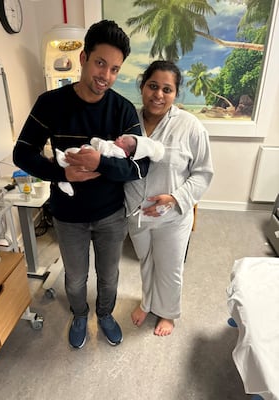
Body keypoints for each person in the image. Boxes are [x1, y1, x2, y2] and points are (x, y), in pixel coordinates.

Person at [13, 20, 149, 349]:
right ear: (83, 58)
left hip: (110, 214)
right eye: (100, 63)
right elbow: (22, 153)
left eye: (115, 69)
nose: (106, 75)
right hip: (68, 214)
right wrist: (63, 174)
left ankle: (103, 314)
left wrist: (100, 162)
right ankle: (78, 313)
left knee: (110, 274)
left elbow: (141, 164)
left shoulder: (122, 109)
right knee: (75, 277)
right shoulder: (50, 103)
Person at [125, 60, 214, 336]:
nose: (158, 95)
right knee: (146, 261)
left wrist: (175, 199)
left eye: (167, 89)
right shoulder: (128, 121)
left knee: (170, 267)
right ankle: (148, 302)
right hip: (136, 212)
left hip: (172, 215)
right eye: (153, 86)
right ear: (142, 86)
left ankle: (168, 313)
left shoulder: (191, 126)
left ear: (176, 94)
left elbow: (203, 173)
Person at [55, 134, 164, 196]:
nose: (120, 137)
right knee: (72, 154)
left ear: (126, 152)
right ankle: (62, 165)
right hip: (89, 154)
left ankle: (63, 172)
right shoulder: (116, 145)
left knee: (71, 157)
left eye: (123, 141)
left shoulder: (119, 153)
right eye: (123, 137)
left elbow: (104, 151)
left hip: (90, 162)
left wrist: (98, 147)